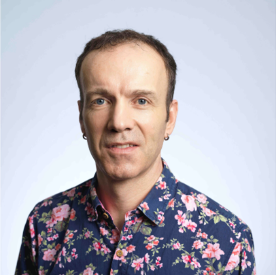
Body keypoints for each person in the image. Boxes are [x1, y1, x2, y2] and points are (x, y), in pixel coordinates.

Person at [15, 29, 256, 275]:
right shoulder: (44, 224)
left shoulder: (227, 240)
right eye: (100, 101)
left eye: (141, 100)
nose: (119, 122)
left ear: (169, 118)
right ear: (81, 117)